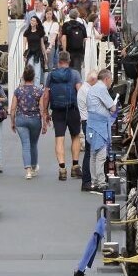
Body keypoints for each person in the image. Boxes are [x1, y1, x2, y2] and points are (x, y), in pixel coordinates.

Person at [43, 51, 83, 181]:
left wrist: (45, 112)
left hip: (57, 110)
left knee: (59, 139)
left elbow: (46, 95)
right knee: (75, 137)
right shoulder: (75, 74)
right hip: (73, 109)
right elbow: (80, 92)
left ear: (58, 61)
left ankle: (62, 169)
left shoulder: (51, 75)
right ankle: (75, 167)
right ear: (69, 61)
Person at [10, 65, 47, 179]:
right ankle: (34, 166)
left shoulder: (18, 90)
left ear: (23, 77)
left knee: (25, 145)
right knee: (33, 144)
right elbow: (42, 108)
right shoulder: (38, 91)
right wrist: (44, 123)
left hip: (21, 119)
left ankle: (28, 171)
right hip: (35, 119)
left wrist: (12, 122)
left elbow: (12, 108)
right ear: (34, 77)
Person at [85, 69, 117, 191]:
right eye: (111, 80)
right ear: (106, 79)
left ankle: (94, 181)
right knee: (101, 155)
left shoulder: (92, 88)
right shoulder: (101, 88)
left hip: (91, 124)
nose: (111, 84)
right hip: (99, 126)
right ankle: (101, 182)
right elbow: (112, 107)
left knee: (93, 154)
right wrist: (112, 108)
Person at [77, 70, 97, 190]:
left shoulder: (84, 89)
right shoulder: (88, 91)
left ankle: (89, 180)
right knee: (90, 152)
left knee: (90, 151)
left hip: (87, 122)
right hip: (89, 122)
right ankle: (87, 181)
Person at [61, 9, 88, 74]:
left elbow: (64, 38)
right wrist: (84, 51)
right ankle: (77, 82)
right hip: (79, 50)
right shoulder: (81, 25)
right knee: (77, 69)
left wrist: (64, 50)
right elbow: (85, 39)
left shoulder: (66, 25)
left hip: (69, 50)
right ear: (77, 16)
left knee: (67, 68)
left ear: (69, 15)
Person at [23, 16, 47, 87]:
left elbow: (42, 45)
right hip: (30, 54)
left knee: (37, 73)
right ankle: (29, 87)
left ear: (37, 23)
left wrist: (45, 55)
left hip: (38, 54)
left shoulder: (40, 32)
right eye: (31, 20)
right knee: (29, 72)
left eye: (33, 21)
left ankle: (36, 89)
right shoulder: (27, 32)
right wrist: (24, 55)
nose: (32, 22)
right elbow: (24, 45)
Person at [43, 8, 61, 73]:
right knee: (43, 63)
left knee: (50, 63)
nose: (48, 15)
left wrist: (50, 47)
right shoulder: (43, 23)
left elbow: (54, 36)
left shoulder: (55, 24)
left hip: (51, 45)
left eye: (50, 14)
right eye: (47, 13)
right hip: (43, 44)